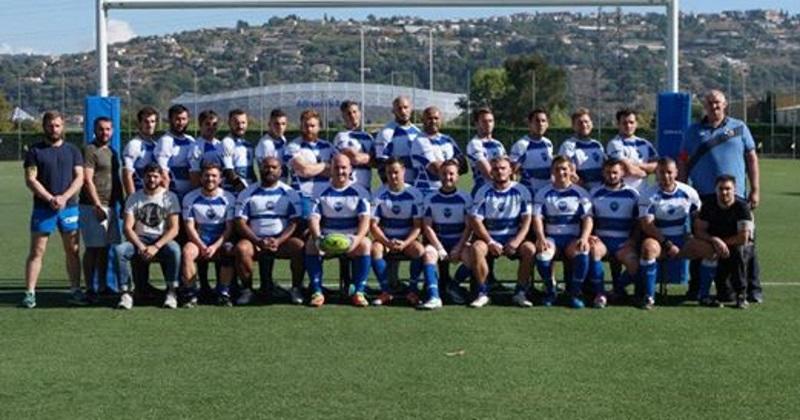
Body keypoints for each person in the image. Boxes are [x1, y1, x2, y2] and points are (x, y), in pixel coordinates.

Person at [679, 89, 762, 303]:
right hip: (704, 197)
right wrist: (682, 189)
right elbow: (683, 161)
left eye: (717, 102)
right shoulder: (692, 131)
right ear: (704, 106)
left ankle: (752, 289)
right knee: (701, 242)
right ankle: (696, 288)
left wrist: (755, 189)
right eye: (709, 102)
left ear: (725, 104)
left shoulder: (739, 127)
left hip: (735, 198)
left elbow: (751, 158)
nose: (713, 106)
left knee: (747, 244)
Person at [22, 111, 85, 308]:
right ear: (44, 126)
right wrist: (50, 198)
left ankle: (75, 289)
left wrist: (64, 197)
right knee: (37, 251)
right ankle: (30, 292)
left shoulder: (73, 150)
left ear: (62, 126)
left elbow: (80, 177)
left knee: (72, 250)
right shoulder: (34, 151)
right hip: (43, 209)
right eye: (50, 125)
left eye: (57, 125)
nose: (54, 129)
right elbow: (30, 179)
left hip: (69, 208)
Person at [638, 157, 715, 310]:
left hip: (682, 240)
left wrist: (696, 236)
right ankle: (649, 296)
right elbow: (647, 225)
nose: (666, 176)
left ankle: (704, 295)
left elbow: (698, 219)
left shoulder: (688, 192)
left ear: (676, 173)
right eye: (661, 172)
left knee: (710, 251)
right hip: (660, 241)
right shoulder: (648, 194)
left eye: (669, 172)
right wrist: (667, 244)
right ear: (656, 174)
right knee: (648, 248)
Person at [466, 156, 535, 308]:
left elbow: (527, 220)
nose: (500, 172)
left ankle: (520, 293)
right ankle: (483, 293)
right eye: (496, 169)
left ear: (511, 170)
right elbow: (476, 220)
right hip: (490, 238)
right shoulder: (483, 191)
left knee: (529, 249)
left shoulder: (521, 190)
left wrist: (516, 242)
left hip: (513, 239)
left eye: (503, 168)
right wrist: (490, 241)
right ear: (491, 172)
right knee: (477, 248)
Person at [234, 157, 305, 305]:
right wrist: (257, 241)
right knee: (242, 248)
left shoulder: (289, 193)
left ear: (280, 171)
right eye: (266, 167)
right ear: (260, 169)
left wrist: (278, 241)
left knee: (299, 246)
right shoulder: (248, 192)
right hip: (255, 241)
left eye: (274, 167)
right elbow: (240, 222)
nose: (270, 170)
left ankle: (296, 289)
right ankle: (247, 290)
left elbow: (294, 222)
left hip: (281, 241)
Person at [304, 154, 372, 307]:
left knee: (366, 244)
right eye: (336, 168)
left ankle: (359, 292)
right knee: (310, 244)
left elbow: (365, 221)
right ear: (331, 170)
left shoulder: (360, 192)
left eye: (344, 168)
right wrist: (318, 238)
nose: (340, 171)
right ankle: (317, 292)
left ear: (350, 170)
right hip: (327, 239)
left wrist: (357, 240)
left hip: (351, 239)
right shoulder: (319, 191)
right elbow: (313, 219)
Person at [114, 163, 182, 310]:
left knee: (175, 250)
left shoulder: (170, 197)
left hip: (161, 240)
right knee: (120, 250)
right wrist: (141, 246)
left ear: (161, 178)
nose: (152, 180)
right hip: (140, 239)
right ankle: (126, 293)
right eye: (148, 176)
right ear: (143, 178)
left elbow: (174, 229)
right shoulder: (134, 198)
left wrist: (156, 246)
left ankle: (171, 291)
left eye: (155, 176)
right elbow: (127, 228)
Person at [532, 156, 594, 309]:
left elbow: (588, 218)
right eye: (557, 169)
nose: (561, 172)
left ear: (571, 170)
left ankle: (575, 293)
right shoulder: (543, 193)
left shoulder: (581, 193)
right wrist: (541, 238)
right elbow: (537, 218)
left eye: (564, 169)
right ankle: (551, 291)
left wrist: (584, 237)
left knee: (583, 250)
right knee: (542, 254)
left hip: (572, 238)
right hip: (552, 238)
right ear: (552, 171)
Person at [369, 157, 429, 308]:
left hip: (407, 239)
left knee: (419, 250)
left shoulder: (414, 194)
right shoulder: (378, 194)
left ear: (403, 171)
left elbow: (417, 226)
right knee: (375, 249)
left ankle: (412, 291)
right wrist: (387, 242)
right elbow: (374, 226)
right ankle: (386, 291)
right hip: (386, 239)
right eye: (389, 173)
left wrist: (405, 243)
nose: (393, 176)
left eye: (396, 172)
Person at [180, 162, 236, 307]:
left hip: (220, 240)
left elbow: (229, 228)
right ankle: (191, 294)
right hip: (199, 240)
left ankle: (223, 293)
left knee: (229, 249)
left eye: (214, 176)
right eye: (207, 175)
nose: (210, 179)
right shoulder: (190, 198)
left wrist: (215, 246)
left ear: (220, 179)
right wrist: (202, 246)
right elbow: (189, 227)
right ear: (201, 178)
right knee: (187, 251)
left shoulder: (229, 198)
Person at [80, 116, 123, 302]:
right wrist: (97, 204)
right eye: (101, 129)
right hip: (93, 206)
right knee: (93, 248)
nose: (104, 132)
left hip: (111, 205)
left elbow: (116, 179)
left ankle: (103, 286)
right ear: (94, 130)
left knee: (105, 248)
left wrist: (121, 202)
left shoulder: (112, 151)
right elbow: (87, 179)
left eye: (107, 129)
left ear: (112, 131)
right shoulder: (90, 150)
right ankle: (90, 288)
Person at [693, 175, 753, 309]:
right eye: (721, 189)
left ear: (734, 190)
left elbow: (743, 238)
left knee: (738, 251)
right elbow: (698, 231)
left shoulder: (742, 207)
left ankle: (741, 295)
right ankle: (701, 292)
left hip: (736, 245)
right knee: (725, 295)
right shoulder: (708, 205)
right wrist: (714, 240)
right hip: (715, 244)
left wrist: (722, 243)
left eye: (728, 189)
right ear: (715, 189)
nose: (724, 192)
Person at [588, 159, 641, 307]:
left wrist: (633, 240)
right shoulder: (595, 193)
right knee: (594, 251)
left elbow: (639, 222)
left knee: (634, 264)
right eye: (608, 173)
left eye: (615, 172)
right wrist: (591, 234)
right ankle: (600, 294)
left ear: (622, 173)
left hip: (623, 243)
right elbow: (588, 218)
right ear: (603, 173)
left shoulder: (632, 194)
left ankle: (616, 289)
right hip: (602, 241)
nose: (612, 176)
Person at [421, 159, 474, 305]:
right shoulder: (430, 198)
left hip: (459, 243)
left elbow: (469, 227)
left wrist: (459, 247)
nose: (447, 177)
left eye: (451, 174)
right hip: (438, 243)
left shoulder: (465, 198)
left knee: (473, 257)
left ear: (457, 176)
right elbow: (427, 227)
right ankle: (434, 297)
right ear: (439, 175)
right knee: (428, 253)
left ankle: (453, 285)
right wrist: (439, 248)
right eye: (444, 174)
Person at [283, 109, 334, 213]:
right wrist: (325, 164)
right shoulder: (293, 146)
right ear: (301, 126)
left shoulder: (328, 146)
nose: (309, 129)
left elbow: (335, 171)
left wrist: (312, 168)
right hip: (303, 197)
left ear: (319, 127)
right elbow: (304, 170)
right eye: (306, 126)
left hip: (325, 198)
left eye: (312, 126)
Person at [410, 106, 467, 197]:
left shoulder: (448, 139)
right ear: (423, 120)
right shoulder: (420, 141)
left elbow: (464, 165)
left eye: (436, 118)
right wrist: (454, 164)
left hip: (447, 192)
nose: (433, 121)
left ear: (441, 120)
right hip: (426, 192)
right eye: (430, 118)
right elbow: (436, 169)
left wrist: (451, 162)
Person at [606, 108, 658, 192]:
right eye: (624, 123)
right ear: (618, 124)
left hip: (645, 192)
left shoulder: (645, 143)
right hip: (625, 193)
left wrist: (637, 165)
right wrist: (646, 172)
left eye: (631, 122)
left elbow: (656, 166)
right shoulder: (614, 144)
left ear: (636, 124)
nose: (628, 126)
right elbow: (629, 169)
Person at [374, 96, 421, 183]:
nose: (403, 111)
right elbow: (381, 164)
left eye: (405, 107)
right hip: (398, 186)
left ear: (411, 108)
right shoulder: (386, 133)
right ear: (393, 111)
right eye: (399, 108)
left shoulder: (418, 132)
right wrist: (389, 186)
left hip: (416, 185)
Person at [559, 108, 606, 191]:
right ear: (573, 126)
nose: (584, 125)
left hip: (599, 192)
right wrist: (586, 191)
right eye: (580, 123)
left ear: (591, 124)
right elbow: (570, 173)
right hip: (581, 192)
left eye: (586, 122)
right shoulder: (568, 146)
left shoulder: (597, 145)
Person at [155, 104, 195, 199]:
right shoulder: (165, 141)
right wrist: (167, 197)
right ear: (170, 120)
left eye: (184, 119)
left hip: (190, 195)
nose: (181, 123)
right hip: (173, 196)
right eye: (177, 119)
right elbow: (163, 172)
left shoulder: (191, 140)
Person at [509, 108, 554, 194]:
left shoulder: (548, 143)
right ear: (529, 124)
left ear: (547, 124)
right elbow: (512, 172)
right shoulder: (521, 145)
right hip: (530, 191)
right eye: (537, 121)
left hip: (546, 190)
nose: (540, 124)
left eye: (543, 121)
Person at [332, 100, 373, 191]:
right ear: (343, 116)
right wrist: (369, 157)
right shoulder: (341, 136)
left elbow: (376, 161)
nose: (352, 115)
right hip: (348, 188)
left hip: (366, 188)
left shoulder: (369, 137)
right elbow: (354, 158)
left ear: (360, 113)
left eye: (355, 112)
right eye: (348, 113)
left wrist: (362, 157)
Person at [466, 107, 506, 196]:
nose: (488, 124)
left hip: (500, 190)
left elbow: (507, 168)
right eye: (484, 121)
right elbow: (488, 172)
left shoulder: (498, 144)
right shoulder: (474, 144)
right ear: (476, 124)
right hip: (482, 192)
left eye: (490, 121)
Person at [122, 106, 159, 195]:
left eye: (152, 121)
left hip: (153, 196)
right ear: (139, 123)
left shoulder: (156, 145)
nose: (150, 125)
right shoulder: (133, 145)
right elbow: (127, 175)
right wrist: (132, 198)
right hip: (139, 195)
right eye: (146, 121)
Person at [220, 109, 257, 193]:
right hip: (233, 192)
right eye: (236, 123)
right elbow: (228, 171)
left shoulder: (248, 145)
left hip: (248, 189)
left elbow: (251, 171)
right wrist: (243, 190)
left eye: (243, 122)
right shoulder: (227, 142)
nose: (240, 126)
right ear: (229, 123)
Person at [188, 109, 223, 189]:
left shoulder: (221, 145)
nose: (211, 127)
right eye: (207, 124)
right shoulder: (195, 147)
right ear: (200, 126)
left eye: (214, 124)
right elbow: (194, 176)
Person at [255, 108, 290, 182]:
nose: (280, 127)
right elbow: (266, 171)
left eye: (283, 124)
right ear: (269, 124)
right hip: (272, 184)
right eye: (277, 124)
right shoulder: (266, 144)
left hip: (283, 182)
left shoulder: (283, 139)